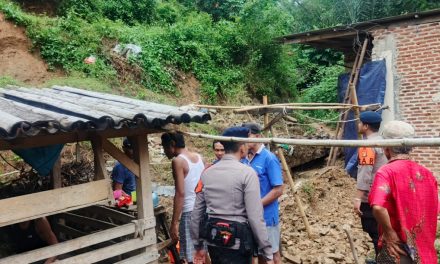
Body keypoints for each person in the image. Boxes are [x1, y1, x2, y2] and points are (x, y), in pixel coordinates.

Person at [191, 126, 273, 264]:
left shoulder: (207, 173)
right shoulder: (247, 173)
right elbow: (255, 217)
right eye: (246, 144)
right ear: (242, 147)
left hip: (214, 239)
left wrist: (198, 245)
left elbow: (196, 214)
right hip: (238, 242)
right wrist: (267, 251)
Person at [369, 120, 438, 263]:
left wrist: (389, 233)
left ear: (387, 148)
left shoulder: (386, 172)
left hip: (398, 250)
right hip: (424, 251)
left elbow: (378, 206)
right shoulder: (427, 174)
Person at [242, 123, 283, 264]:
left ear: (258, 136)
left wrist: (257, 205)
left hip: (266, 216)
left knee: (272, 254)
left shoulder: (269, 158)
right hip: (250, 217)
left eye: (248, 136)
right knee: (259, 254)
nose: (245, 140)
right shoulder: (244, 159)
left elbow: (278, 189)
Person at [161, 132, 205, 264]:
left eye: (164, 147)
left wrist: (174, 223)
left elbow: (180, 193)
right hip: (203, 211)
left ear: (172, 145)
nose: (164, 151)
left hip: (189, 213)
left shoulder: (178, 161)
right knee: (201, 253)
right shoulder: (199, 157)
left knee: (190, 258)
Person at [353, 111, 388, 256]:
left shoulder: (367, 145)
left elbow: (365, 174)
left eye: (360, 122)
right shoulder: (384, 141)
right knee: (384, 232)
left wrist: (358, 198)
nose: (359, 125)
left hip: (372, 196)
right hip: (384, 193)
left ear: (366, 126)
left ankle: (384, 259)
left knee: (375, 233)